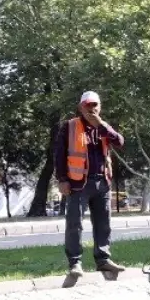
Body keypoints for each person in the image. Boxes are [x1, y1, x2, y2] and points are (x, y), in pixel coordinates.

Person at [55, 90, 126, 279]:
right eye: (87, 105)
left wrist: (100, 124)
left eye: (95, 105)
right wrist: (62, 180)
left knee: (103, 224)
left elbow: (119, 142)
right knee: (74, 224)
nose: (91, 109)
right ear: (80, 107)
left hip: (102, 182)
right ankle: (75, 262)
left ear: (99, 106)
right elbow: (59, 155)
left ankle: (103, 259)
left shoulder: (103, 126)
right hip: (78, 184)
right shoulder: (69, 126)